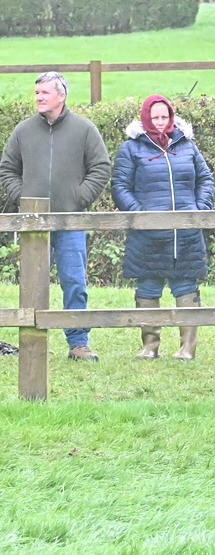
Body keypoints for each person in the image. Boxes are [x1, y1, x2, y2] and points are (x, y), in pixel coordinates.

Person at [0, 72, 111, 361]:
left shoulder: (84, 129)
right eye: (37, 93)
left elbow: (101, 168)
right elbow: (7, 169)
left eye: (45, 93)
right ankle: (31, 341)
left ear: (61, 95)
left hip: (70, 222)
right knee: (32, 285)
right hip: (33, 224)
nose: (38, 97)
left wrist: (79, 197)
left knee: (74, 282)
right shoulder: (23, 131)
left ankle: (78, 344)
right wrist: (23, 197)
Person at [111, 95, 215, 361]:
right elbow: (120, 187)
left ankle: (187, 348)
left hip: (186, 233)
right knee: (148, 286)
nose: (160, 122)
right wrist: (141, 216)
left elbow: (205, 179)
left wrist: (199, 209)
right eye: (155, 117)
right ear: (146, 118)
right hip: (148, 235)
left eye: (164, 117)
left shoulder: (187, 146)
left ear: (171, 117)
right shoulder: (131, 148)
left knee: (187, 286)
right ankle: (150, 346)